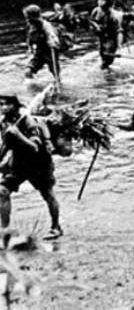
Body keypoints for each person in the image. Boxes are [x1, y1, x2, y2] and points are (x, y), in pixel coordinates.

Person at [0, 93, 62, 240]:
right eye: (1, 105)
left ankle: (56, 227)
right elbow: (6, 144)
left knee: (47, 194)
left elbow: (35, 146)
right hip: (18, 164)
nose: (3, 107)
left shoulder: (28, 121)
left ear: (15, 106)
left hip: (38, 163)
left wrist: (18, 134)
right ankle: (4, 231)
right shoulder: (4, 122)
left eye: (7, 104)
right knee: (2, 191)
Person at [22, 4, 61, 82]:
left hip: (50, 51)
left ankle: (58, 83)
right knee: (28, 72)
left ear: (33, 17)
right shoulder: (31, 26)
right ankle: (33, 86)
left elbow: (53, 36)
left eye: (28, 17)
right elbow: (30, 38)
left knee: (54, 72)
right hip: (39, 52)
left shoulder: (46, 25)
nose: (27, 20)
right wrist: (30, 48)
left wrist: (52, 42)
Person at [88, 0, 124, 70]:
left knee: (108, 57)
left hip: (111, 38)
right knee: (102, 54)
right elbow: (91, 21)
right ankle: (106, 70)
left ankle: (105, 69)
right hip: (102, 37)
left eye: (102, 0)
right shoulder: (96, 11)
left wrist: (119, 48)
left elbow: (119, 32)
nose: (99, 1)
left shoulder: (113, 16)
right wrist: (96, 26)